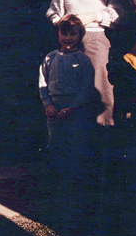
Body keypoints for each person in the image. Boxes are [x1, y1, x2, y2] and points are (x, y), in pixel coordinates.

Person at [46, 0, 128, 127]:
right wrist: (61, 22)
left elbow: (121, 13)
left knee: (99, 94)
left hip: (95, 41)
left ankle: (103, 145)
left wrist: (93, 16)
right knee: (69, 95)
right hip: (68, 44)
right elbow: (52, 11)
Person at [38, 15, 96, 182]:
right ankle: (56, 175)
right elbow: (43, 81)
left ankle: (75, 178)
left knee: (75, 141)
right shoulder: (50, 57)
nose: (68, 38)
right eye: (64, 34)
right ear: (58, 34)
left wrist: (74, 106)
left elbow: (87, 86)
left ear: (80, 36)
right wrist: (47, 103)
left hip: (74, 109)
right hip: (54, 108)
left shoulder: (83, 60)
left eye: (73, 34)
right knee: (54, 141)